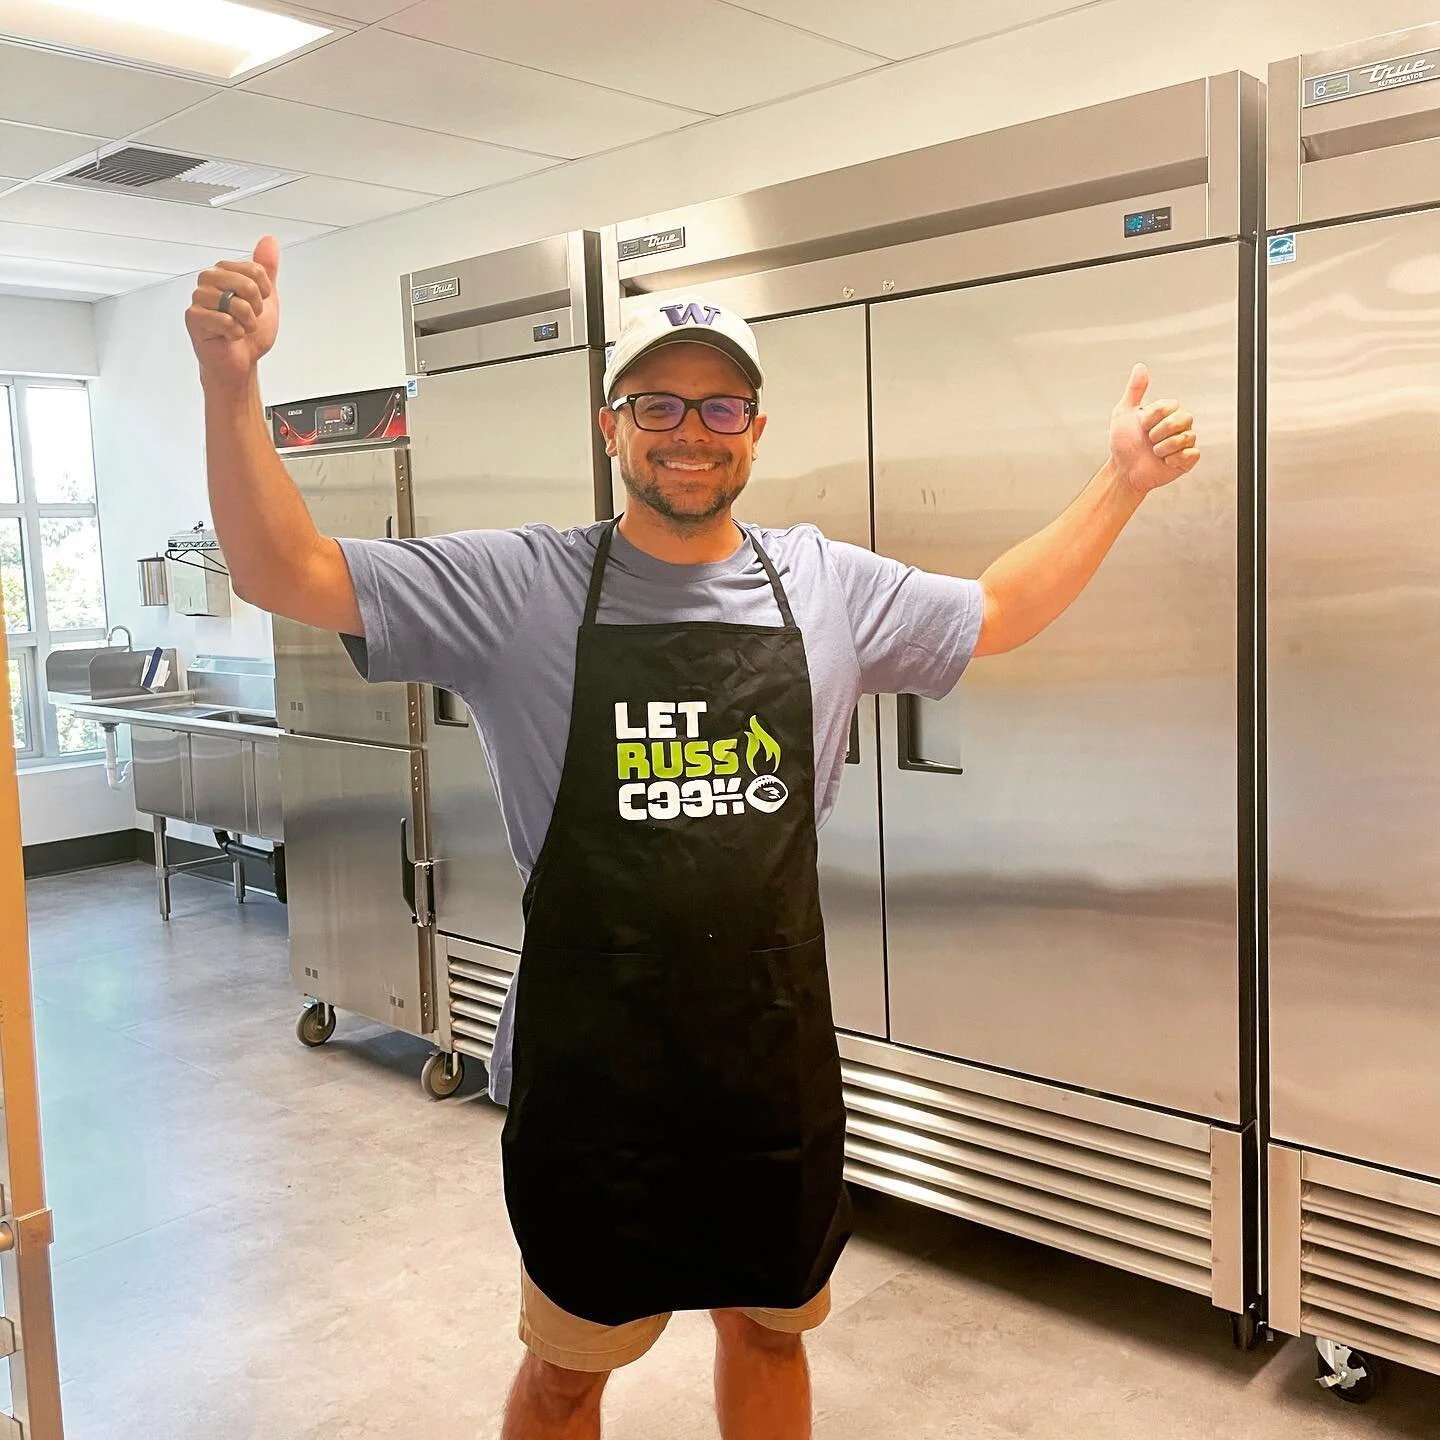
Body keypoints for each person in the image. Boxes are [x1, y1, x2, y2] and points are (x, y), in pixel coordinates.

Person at [186, 237, 1200, 1440]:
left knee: (769, 1329)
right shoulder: (525, 585)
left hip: (766, 1068)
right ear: (614, 425)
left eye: (721, 404)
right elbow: (283, 567)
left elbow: (996, 610)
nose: (690, 430)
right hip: (592, 1079)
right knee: (569, 1372)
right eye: (658, 402)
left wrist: (1120, 483)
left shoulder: (822, 583)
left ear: (755, 431)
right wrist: (231, 385)